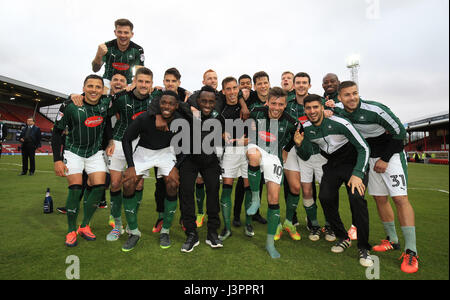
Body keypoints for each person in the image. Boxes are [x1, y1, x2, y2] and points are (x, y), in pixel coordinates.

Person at [329, 81, 419, 273]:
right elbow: (321, 107)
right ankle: (392, 240)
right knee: (379, 198)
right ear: (339, 98)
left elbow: (400, 133)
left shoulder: (376, 109)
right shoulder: (337, 109)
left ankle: (411, 251)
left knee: (400, 198)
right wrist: (327, 109)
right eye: (347, 95)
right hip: (370, 157)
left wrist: (385, 159)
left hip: (390, 155)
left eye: (355, 93)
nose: (352, 98)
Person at [295, 94, 373, 267]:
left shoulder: (340, 123)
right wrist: (300, 144)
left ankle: (364, 247)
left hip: (353, 163)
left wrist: (358, 173)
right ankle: (343, 237)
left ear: (322, 107)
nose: (312, 111)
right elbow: (306, 153)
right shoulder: (305, 128)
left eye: (316, 107)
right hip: (333, 164)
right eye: (308, 108)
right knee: (325, 197)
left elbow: (364, 147)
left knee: (356, 198)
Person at [51, 74, 113, 248]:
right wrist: (57, 160)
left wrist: (109, 141)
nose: (94, 90)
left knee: (99, 186)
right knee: (76, 188)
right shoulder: (70, 105)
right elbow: (57, 133)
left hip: (95, 152)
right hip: (74, 152)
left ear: (102, 90)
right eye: (90, 86)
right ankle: (71, 230)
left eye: (97, 87)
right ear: (84, 87)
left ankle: (84, 225)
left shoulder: (106, 103)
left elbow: (125, 92)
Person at [121, 91, 181, 251]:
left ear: (176, 106)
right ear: (158, 104)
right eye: (163, 103)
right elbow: (126, 138)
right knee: (128, 183)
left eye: (170, 103)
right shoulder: (145, 118)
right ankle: (133, 232)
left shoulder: (181, 121)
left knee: (172, 183)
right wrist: (131, 166)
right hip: (144, 151)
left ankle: (165, 230)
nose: (166, 106)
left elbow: (187, 147)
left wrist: (176, 167)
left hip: (167, 152)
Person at [246, 87, 298, 259]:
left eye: (281, 104)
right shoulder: (256, 111)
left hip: (274, 156)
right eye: (273, 103)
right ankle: (255, 199)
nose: (276, 107)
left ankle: (269, 244)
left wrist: (288, 148)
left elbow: (300, 133)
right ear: (267, 102)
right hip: (258, 148)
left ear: (286, 104)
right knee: (252, 155)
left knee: (274, 199)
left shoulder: (291, 121)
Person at [282, 72, 333, 242]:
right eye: (298, 82)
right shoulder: (288, 104)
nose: (301, 85)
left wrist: (333, 107)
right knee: (298, 189)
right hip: (293, 150)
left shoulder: (320, 102)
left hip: (316, 152)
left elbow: (337, 109)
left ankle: (328, 224)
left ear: (310, 85)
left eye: (305, 82)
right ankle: (304, 223)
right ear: (294, 85)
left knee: (324, 191)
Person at [177, 86, 224, 252]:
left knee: (213, 193)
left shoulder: (218, 117)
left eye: (211, 101)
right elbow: (178, 104)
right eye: (203, 101)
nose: (207, 104)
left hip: (210, 160)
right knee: (186, 192)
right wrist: (190, 106)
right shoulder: (189, 112)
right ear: (197, 101)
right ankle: (191, 233)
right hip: (189, 159)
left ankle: (212, 232)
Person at [217, 77, 254, 241]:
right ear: (223, 91)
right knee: (226, 188)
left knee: (249, 188)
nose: (232, 92)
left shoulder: (247, 107)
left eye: (234, 88)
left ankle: (249, 224)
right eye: (228, 89)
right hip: (230, 153)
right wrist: (221, 134)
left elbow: (254, 133)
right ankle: (227, 227)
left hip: (247, 152)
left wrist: (245, 140)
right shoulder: (221, 110)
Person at [92, 18, 144, 86]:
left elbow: (139, 74)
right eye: (119, 32)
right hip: (108, 81)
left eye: (126, 32)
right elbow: (95, 69)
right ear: (115, 32)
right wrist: (98, 55)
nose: (122, 35)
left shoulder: (138, 50)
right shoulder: (106, 47)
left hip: (128, 83)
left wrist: (133, 86)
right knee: (101, 90)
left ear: (132, 34)